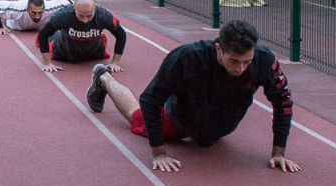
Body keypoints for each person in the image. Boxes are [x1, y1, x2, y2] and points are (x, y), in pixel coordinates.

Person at [105, 19, 299, 174]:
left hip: (220, 122)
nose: (240, 68)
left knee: (210, 133)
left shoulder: (264, 61)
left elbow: (283, 102)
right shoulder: (187, 57)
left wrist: (278, 152)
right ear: (218, 49)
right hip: (180, 118)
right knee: (136, 115)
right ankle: (104, 79)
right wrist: (158, 153)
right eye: (234, 61)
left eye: (246, 62)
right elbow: (150, 99)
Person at [37, 0, 128, 75]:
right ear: (74, 8)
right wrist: (48, 63)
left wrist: (115, 63)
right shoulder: (63, 15)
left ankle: (100, 37)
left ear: (95, 8)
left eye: (89, 15)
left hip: (94, 52)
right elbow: (43, 34)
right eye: (80, 15)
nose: (85, 20)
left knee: (101, 39)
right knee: (46, 37)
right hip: (64, 52)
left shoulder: (103, 15)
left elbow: (121, 34)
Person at [0, 0, 72, 35]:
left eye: (40, 12)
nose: (37, 16)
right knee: (6, 16)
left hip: (36, 24)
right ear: (27, 9)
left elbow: (71, 3)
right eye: (34, 12)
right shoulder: (17, 9)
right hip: (16, 24)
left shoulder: (50, 7)